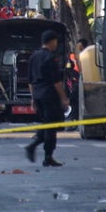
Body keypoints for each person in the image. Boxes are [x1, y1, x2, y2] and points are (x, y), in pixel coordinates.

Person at [25, 30, 70, 167]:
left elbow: (30, 81)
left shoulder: (34, 57)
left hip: (38, 95)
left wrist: (33, 98)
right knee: (51, 127)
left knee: (47, 123)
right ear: (52, 41)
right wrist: (64, 98)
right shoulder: (50, 58)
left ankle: (38, 146)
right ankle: (46, 154)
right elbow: (56, 82)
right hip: (49, 96)